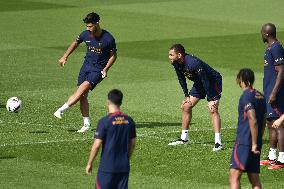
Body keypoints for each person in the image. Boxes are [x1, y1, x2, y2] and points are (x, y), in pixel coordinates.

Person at [54, 12, 117, 133]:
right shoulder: (85, 34)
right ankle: (86, 123)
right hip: (86, 66)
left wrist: (106, 69)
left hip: (98, 69)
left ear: (97, 23)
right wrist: (65, 56)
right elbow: (75, 43)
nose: (88, 29)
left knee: (83, 87)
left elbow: (113, 56)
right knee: (82, 95)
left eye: (90, 26)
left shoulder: (108, 38)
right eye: (87, 26)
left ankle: (62, 109)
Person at [167, 44, 223, 151]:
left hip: (213, 81)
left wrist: (211, 99)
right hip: (200, 82)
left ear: (179, 55)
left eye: (171, 54)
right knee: (186, 106)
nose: (169, 57)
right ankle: (184, 139)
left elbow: (206, 80)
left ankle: (218, 143)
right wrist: (186, 95)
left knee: (213, 109)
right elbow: (181, 79)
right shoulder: (176, 63)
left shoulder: (193, 63)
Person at [86, 89, 136, 189]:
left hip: (107, 166)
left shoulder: (105, 121)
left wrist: (89, 163)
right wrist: (126, 158)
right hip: (123, 167)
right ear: (121, 102)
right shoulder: (129, 120)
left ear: (108, 101)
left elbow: (96, 145)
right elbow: (133, 143)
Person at [229, 68, 266, 189]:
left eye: (239, 79)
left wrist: (253, 143)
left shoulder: (246, 96)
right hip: (256, 141)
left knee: (234, 175)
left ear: (244, 81)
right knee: (254, 178)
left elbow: (253, 119)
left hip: (245, 142)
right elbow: (264, 119)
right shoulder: (261, 96)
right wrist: (258, 140)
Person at [259, 23, 284, 169]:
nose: (261, 35)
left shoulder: (276, 48)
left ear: (266, 34)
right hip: (269, 91)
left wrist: (274, 92)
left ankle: (282, 158)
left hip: (276, 92)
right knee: (270, 122)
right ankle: (272, 155)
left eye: (262, 32)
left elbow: (282, 71)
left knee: (279, 124)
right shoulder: (271, 48)